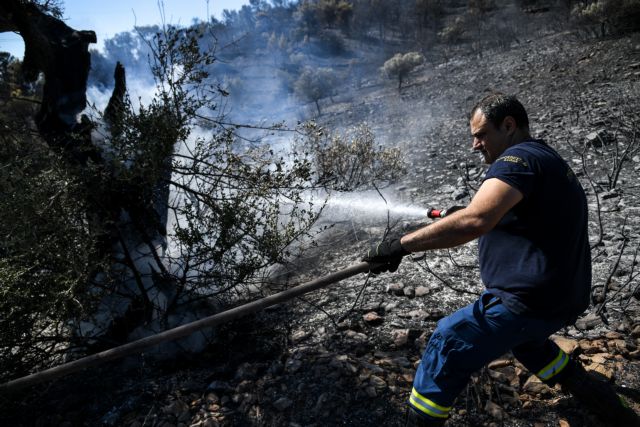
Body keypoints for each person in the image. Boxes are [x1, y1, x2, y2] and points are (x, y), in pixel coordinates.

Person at [364, 93, 640, 426]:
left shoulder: (517, 160)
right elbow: (502, 216)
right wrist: (468, 213)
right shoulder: (543, 158)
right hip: (564, 297)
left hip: (529, 301)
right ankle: (600, 400)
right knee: (528, 345)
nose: (475, 145)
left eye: (481, 134)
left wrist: (399, 246)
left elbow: (474, 221)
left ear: (508, 126)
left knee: (448, 342)